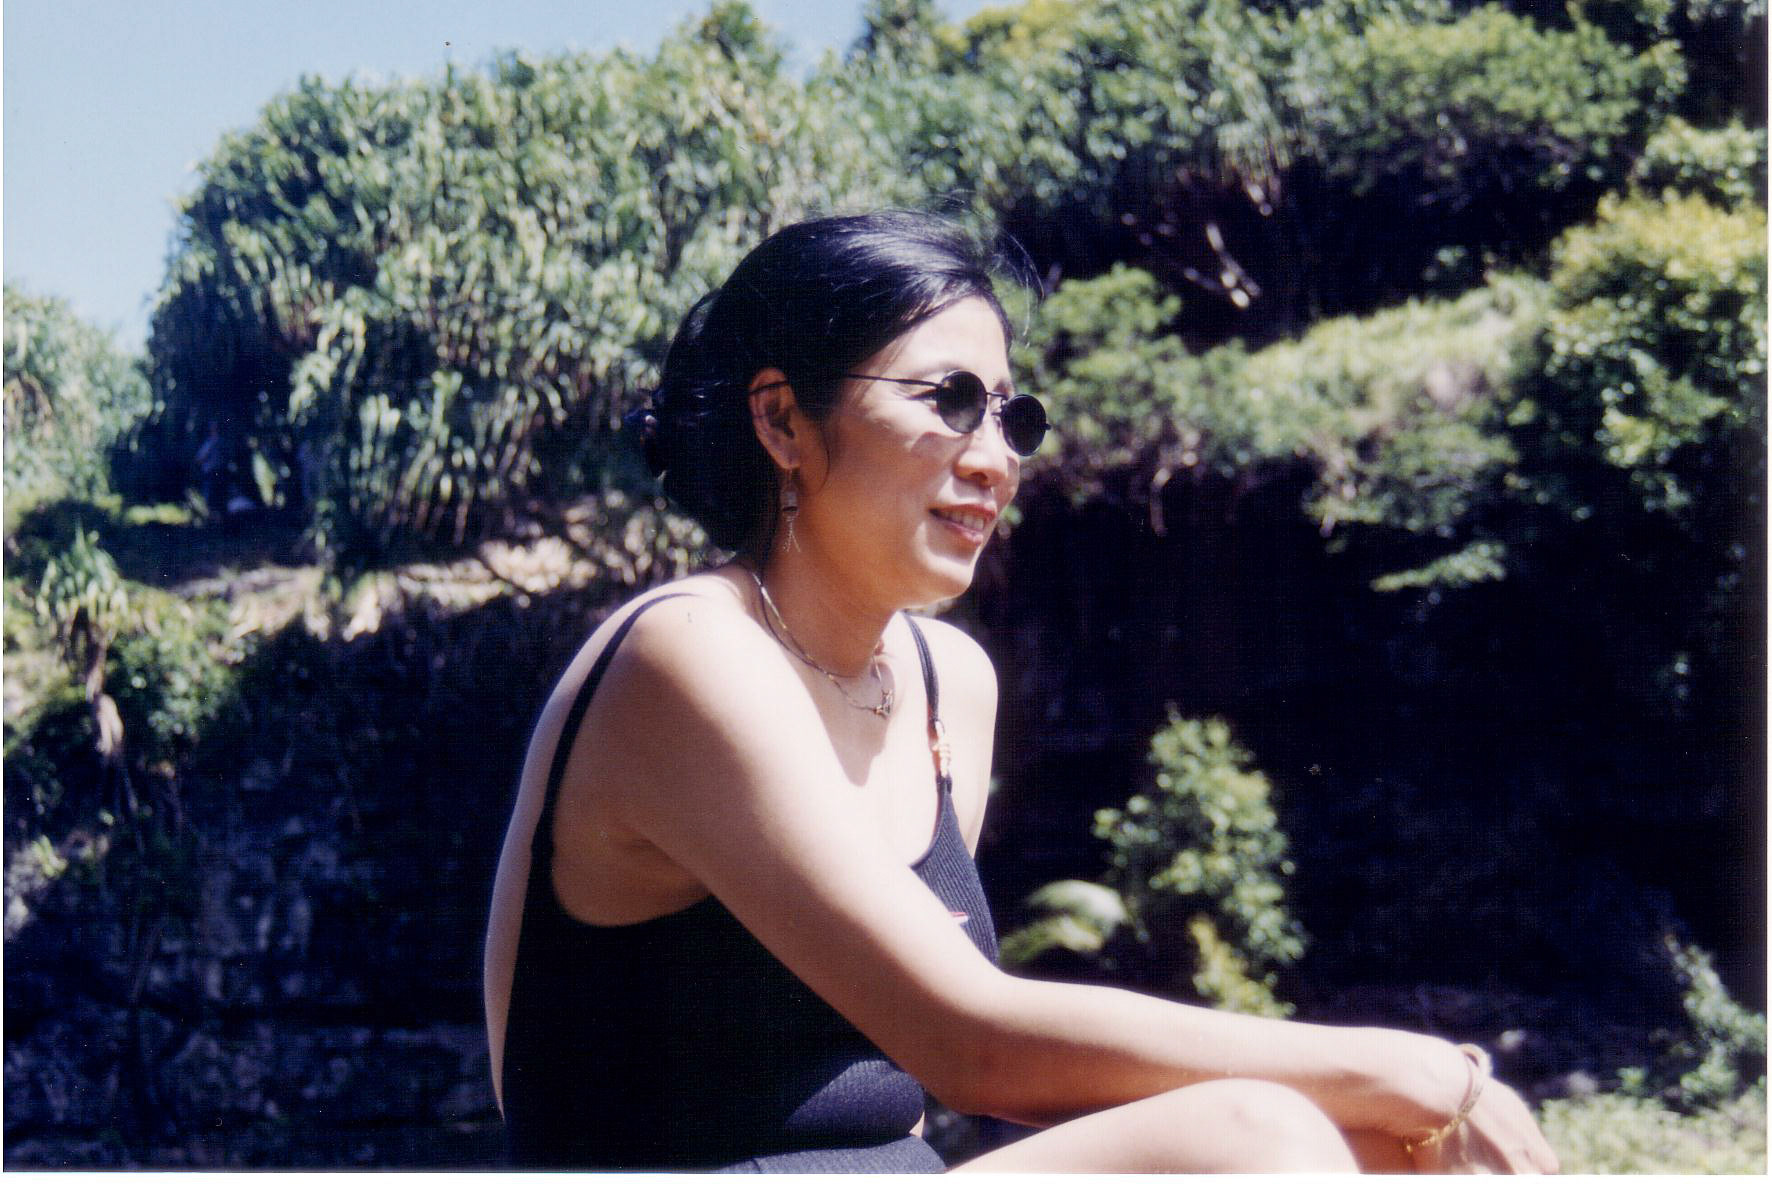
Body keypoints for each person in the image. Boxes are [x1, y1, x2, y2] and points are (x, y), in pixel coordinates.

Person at [481, 210, 1560, 1172]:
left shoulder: (948, 682)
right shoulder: (688, 653)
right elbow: (971, 1044)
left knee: (1395, 1150)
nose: (995, 457)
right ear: (782, 421)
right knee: (1263, 1137)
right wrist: (1416, 1067)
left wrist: (1406, 1105)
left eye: (1012, 416)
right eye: (949, 400)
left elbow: (917, 1087)